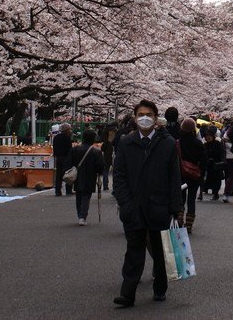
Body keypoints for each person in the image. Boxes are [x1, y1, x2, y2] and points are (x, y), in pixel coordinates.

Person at [112, 99, 183, 307]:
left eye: (149, 115)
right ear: (135, 118)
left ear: (156, 118)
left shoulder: (168, 143)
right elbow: (119, 175)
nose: (145, 118)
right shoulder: (126, 142)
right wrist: (124, 202)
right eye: (141, 114)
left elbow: (174, 178)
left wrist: (176, 209)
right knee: (134, 250)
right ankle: (128, 293)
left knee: (160, 252)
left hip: (159, 206)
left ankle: (160, 287)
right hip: (134, 206)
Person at [69, 129, 104, 226]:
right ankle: (82, 216)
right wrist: (99, 173)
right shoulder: (96, 152)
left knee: (79, 195)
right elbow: (100, 166)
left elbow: (70, 163)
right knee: (86, 196)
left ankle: (80, 214)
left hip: (77, 175)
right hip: (90, 176)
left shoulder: (75, 149)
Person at [177, 117, 206, 232]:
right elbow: (204, 160)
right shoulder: (198, 143)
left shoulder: (178, 143)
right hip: (194, 175)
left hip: (181, 174)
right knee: (191, 199)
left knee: (181, 198)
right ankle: (189, 225)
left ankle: (179, 218)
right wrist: (201, 174)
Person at [202, 126, 226, 200]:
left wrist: (222, 162)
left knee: (216, 179)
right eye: (207, 136)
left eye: (209, 136)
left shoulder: (218, 144)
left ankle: (215, 193)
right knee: (207, 178)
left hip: (216, 164)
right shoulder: (205, 145)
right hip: (208, 165)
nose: (208, 137)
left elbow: (222, 153)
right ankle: (205, 190)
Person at [52, 122, 74, 197]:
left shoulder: (56, 137)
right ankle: (68, 190)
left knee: (59, 175)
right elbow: (69, 149)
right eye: (69, 129)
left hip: (58, 158)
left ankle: (58, 191)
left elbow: (54, 148)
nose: (71, 130)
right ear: (67, 130)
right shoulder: (67, 138)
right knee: (68, 174)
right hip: (66, 158)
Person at [222, 131, 233, 203]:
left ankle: (226, 194)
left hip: (229, 156)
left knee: (230, 176)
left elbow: (225, 144)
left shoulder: (227, 133)